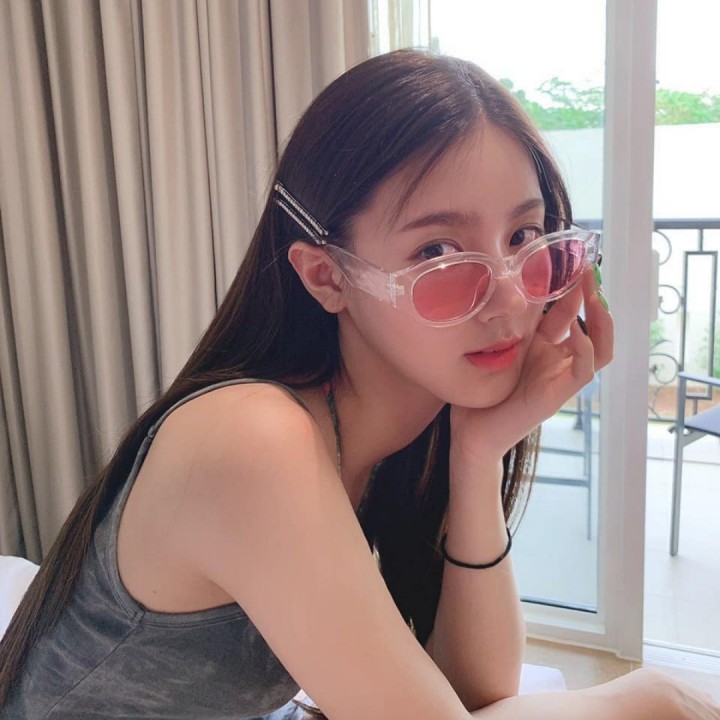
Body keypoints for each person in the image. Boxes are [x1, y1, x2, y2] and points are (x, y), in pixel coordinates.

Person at [0, 48, 717, 720]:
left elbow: (476, 691)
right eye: (437, 250)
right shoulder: (252, 439)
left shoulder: (400, 431)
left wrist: (478, 458)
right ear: (327, 276)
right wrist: (655, 695)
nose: (507, 299)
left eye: (525, 237)